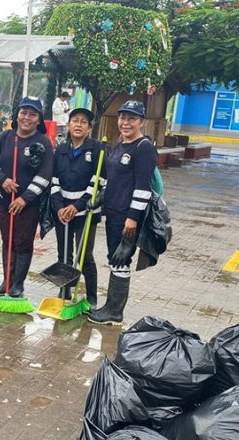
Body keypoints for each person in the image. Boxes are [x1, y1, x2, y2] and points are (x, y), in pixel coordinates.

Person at [87, 100, 157, 325]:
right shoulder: (119, 145)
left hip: (127, 217)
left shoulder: (143, 147)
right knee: (114, 257)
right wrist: (100, 196)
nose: (126, 123)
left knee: (121, 259)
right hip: (114, 213)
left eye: (132, 118)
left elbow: (143, 186)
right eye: (123, 118)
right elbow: (113, 179)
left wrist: (132, 219)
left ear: (141, 122)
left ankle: (115, 311)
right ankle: (110, 307)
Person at [0, 97, 55, 297]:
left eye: (33, 114)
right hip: (4, 202)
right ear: (17, 115)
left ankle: (18, 283)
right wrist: (2, 179)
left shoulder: (43, 142)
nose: (27, 117)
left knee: (22, 241)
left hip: (28, 205)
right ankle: (6, 280)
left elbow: (46, 174)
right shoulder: (5, 137)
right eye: (24, 112)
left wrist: (24, 198)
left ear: (39, 119)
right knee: (7, 240)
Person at [50, 107, 104, 305]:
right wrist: (59, 208)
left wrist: (78, 206)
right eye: (75, 121)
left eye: (83, 122)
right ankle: (65, 290)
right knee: (63, 252)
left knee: (84, 255)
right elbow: (54, 180)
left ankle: (91, 298)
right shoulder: (60, 150)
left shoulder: (97, 149)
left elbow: (99, 181)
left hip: (86, 212)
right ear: (69, 125)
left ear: (89, 128)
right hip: (62, 211)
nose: (79, 125)